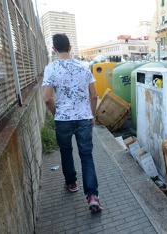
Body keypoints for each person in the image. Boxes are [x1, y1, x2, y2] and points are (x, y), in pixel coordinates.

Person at [42, 34, 102, 212]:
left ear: (54, 49)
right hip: (83, 118)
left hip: (63, 120)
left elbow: (47, 98)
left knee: (66, 153)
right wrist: (92, 115)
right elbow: (94, 95)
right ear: (69, 47)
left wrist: (56, 113)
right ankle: (92, 196)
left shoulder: (51, 68)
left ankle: (72, 183)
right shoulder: (84, 67)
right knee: (86, 156)